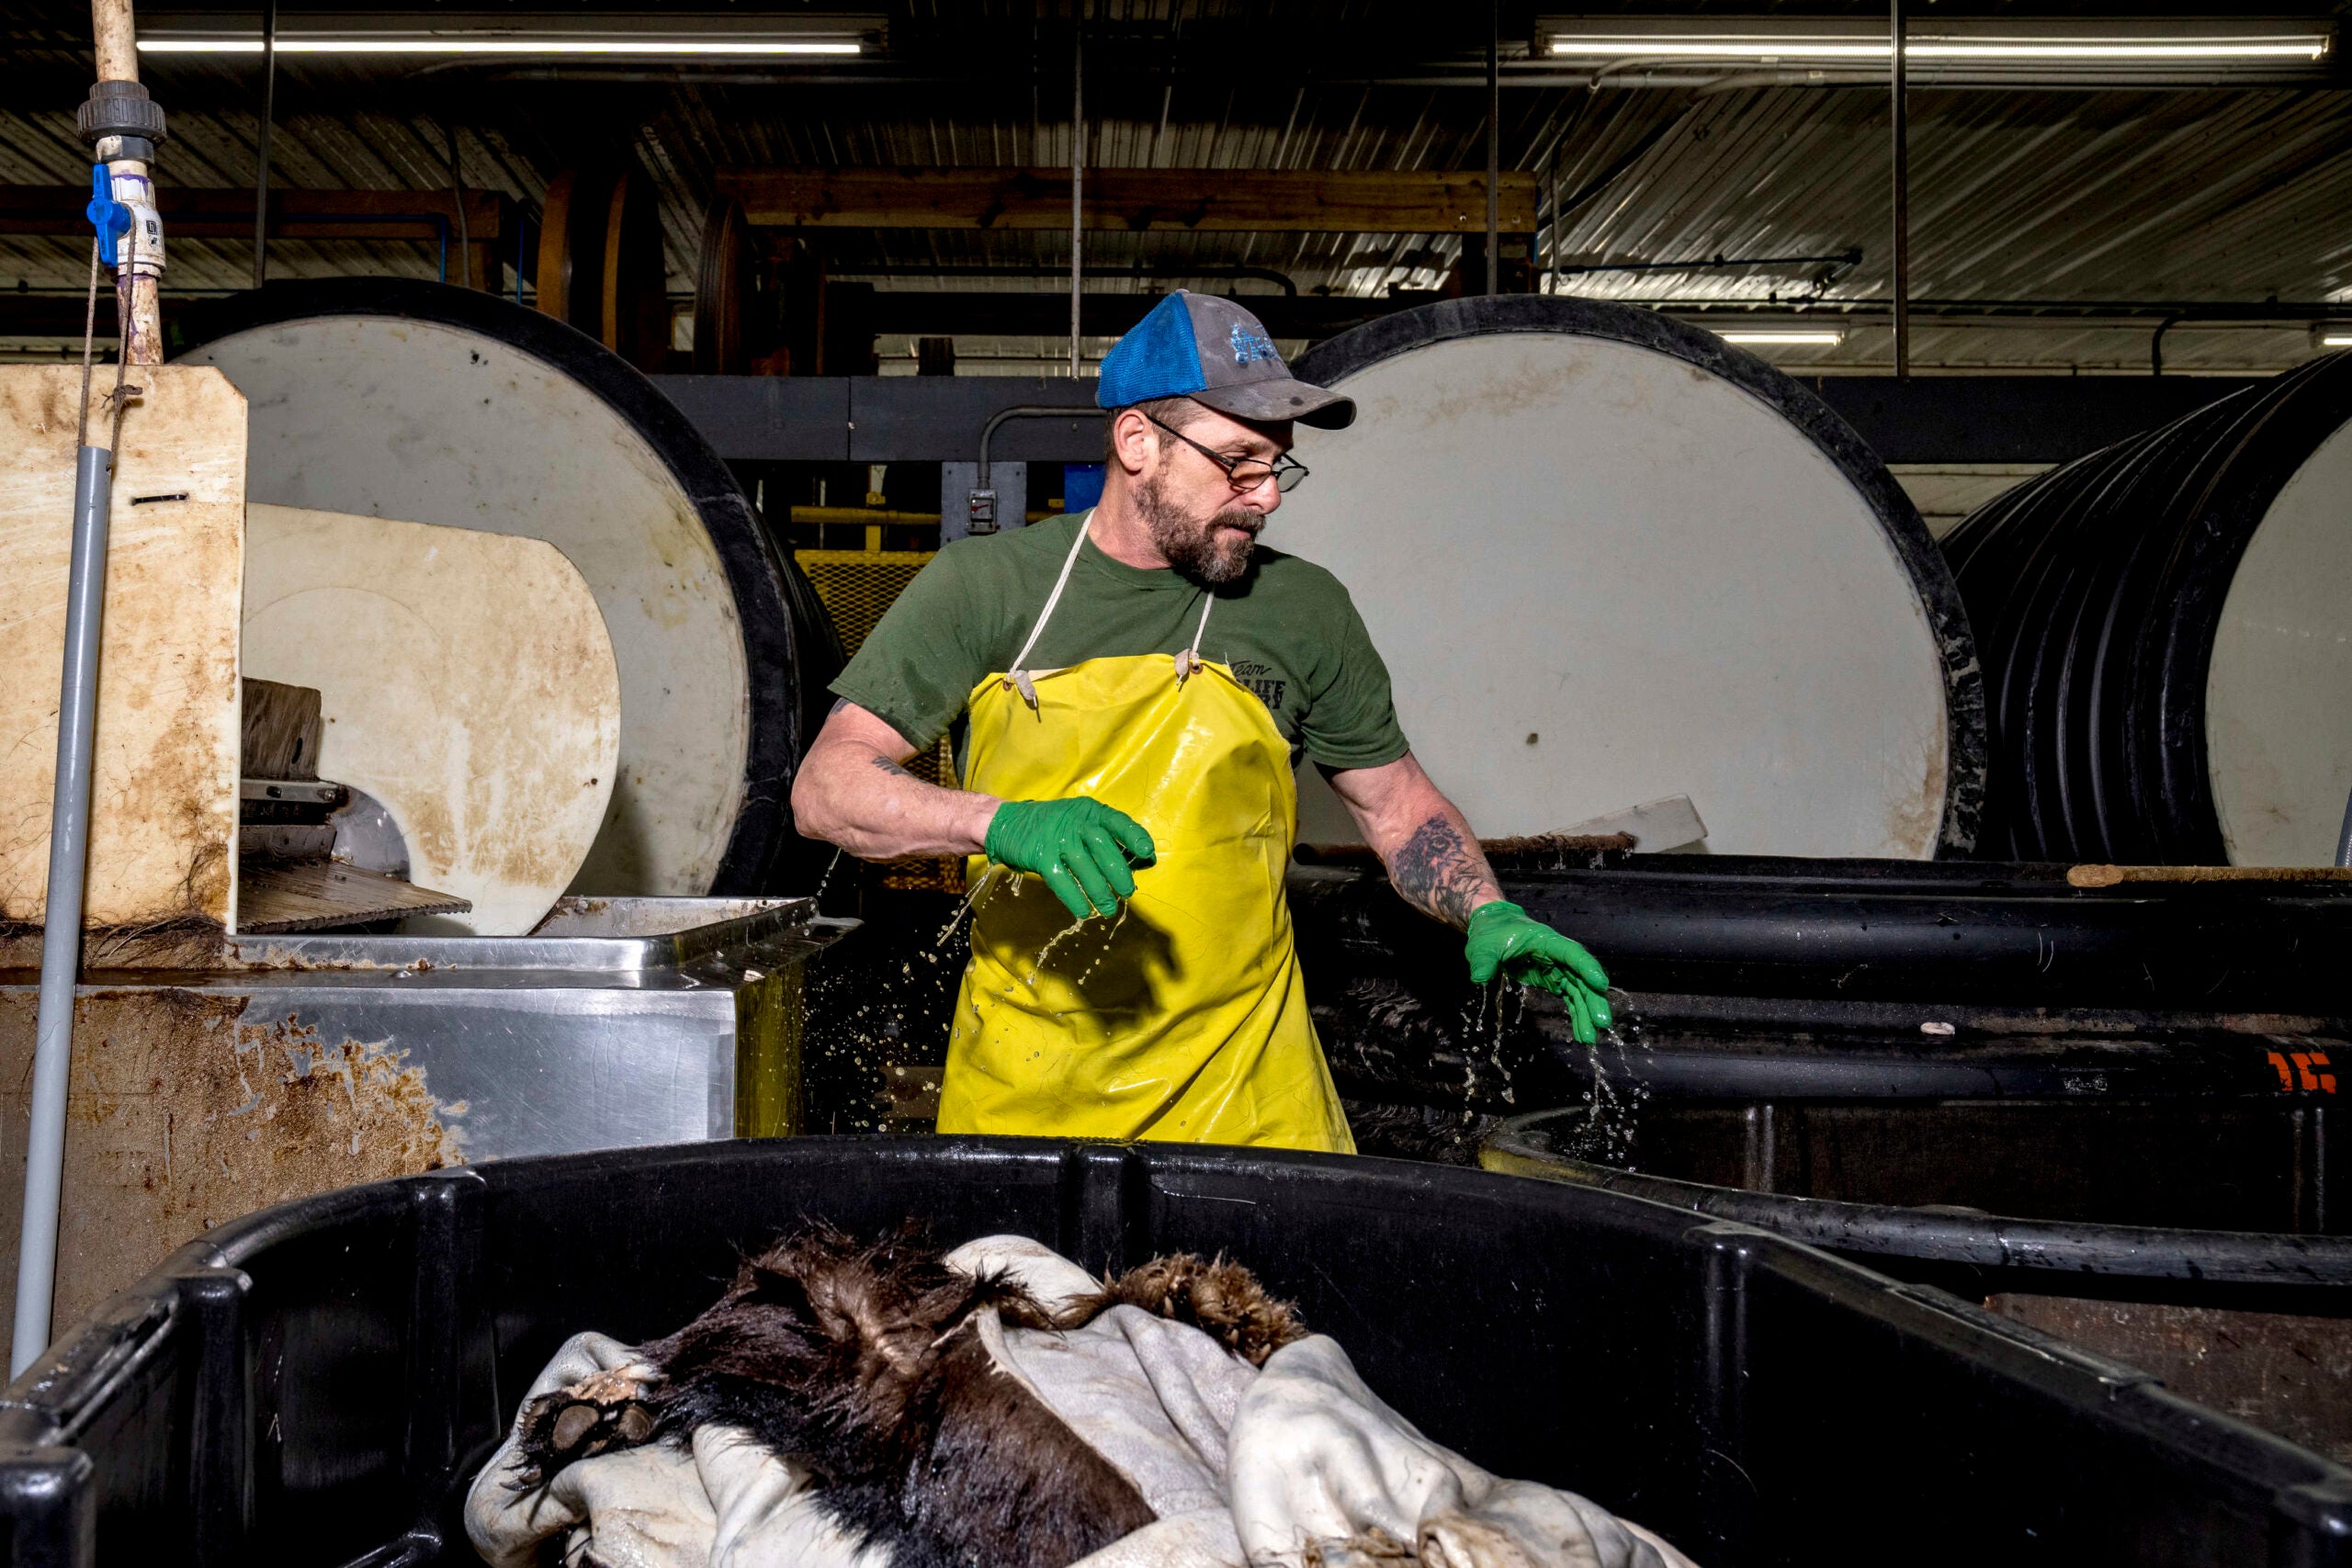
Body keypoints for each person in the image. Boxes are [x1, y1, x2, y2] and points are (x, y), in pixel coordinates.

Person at [790, 291, 1610, 1153]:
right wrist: (999, 823)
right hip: (1026, 1100)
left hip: (1253, 1105)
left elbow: (1397, 807)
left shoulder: (1305, 610)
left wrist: (1482, 906)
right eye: (1238, 462)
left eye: (1276, 466)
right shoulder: (986, 588)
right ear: (1137, 442)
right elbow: (826, 788)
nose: (1266, 498)